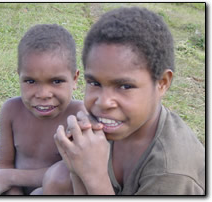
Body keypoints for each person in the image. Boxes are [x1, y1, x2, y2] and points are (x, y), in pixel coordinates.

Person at [54, 7, 205, 195]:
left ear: (162, 83)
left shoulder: (172, 172)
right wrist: (77, 168)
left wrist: (95, 176)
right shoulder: (111, 127)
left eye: (125, 86)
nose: (103, 102)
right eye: (94, 83)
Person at [0, 24, 86, 195]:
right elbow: (4, 166)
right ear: (19, 76)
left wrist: (11, 178)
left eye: (56, 81)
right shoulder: (11, 110)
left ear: (74, 79)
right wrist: (12, 189)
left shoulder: (78, 117)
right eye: (30, 81)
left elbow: (70, 174)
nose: (43, 94)